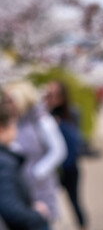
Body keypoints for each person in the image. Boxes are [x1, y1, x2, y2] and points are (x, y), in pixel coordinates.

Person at [4, 81, 66, 226]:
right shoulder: (15, 120)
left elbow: (58, 149)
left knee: (40, 219)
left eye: (11, 101)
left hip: (39, 184)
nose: (8, 105)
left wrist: (38, 171)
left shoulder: (41, 119)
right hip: (19, 184)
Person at [0, 89, 49, 230]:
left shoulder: (39, 120)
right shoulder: (4, 162)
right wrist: (36, 215)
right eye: (13, 124)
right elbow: (9, 207)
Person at [45, 81, 88, 230]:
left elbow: (76, 139)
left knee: (74, 201)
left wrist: (59, 124)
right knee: (47, 202)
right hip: (51, 169)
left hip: (69, 167)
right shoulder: (43, 115)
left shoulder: (72, 113)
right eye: (48, 94)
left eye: (54, 94)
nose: (50, 97)